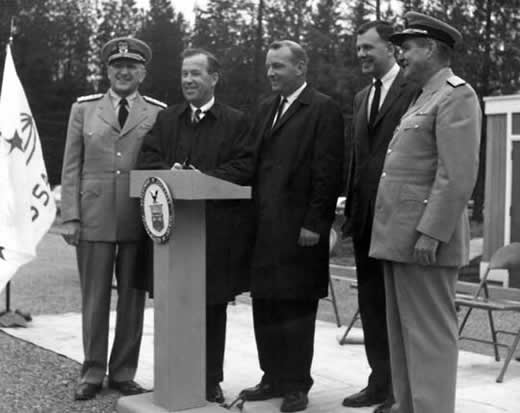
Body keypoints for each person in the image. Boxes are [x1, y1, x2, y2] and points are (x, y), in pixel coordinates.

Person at [369, 12, 481, 413]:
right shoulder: (422, 96)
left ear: (431, 49)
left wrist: (431, 233)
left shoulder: (456, 94)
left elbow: (457, 175)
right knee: (403, 334)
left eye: (408, 48)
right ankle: (408, 405)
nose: (402, 56)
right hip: (400, 239)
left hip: (424, 241)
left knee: (429, 336)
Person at [136, 48, 257, 403]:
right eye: (184, 74)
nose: (188, 80)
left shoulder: (236, 121)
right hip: (172, 237)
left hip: (215, 233)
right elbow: (147, 159)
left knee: (211, 307)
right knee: (174, 306)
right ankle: (173, 374)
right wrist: (168, 175)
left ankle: (209, 379)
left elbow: (244, 167)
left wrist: (201, 180)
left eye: (196, 74)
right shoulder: (167, 120)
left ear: (214, 78)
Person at [239, 40, 344, 413]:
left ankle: (297, 384)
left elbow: (329, 171)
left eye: (278, 66)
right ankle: (272, 377)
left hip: (301, 230)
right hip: (264, 229)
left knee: (296, 309)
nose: (271, 73)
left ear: (300, 68)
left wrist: (316, 222)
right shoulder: (266, 108)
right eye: (269, 66)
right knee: (265, 305)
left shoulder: (323, 109)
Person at [60, 36, 166, 401]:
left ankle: (123, 371)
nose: (124, 71)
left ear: (143, 72)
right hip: (93, 217)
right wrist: (70, 217)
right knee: (94, 298)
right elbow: (71, 166)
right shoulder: (84, 109)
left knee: (133, 300)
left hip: (138, 219)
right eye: (117, 66)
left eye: (132, 66)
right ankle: (91, 370)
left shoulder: (156, 112)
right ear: (107, 70)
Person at [342, 21, 417, 413]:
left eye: (368, 48)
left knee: (398, 309)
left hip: (398, 219)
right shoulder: (360, 98)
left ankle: (400, 391)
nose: (361, 55)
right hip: (365, 219)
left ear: (391, 48)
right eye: (358, 49)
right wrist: (350, 212)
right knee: (371, 306)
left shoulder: (414, 90)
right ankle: (379, 383)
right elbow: (358, 156)